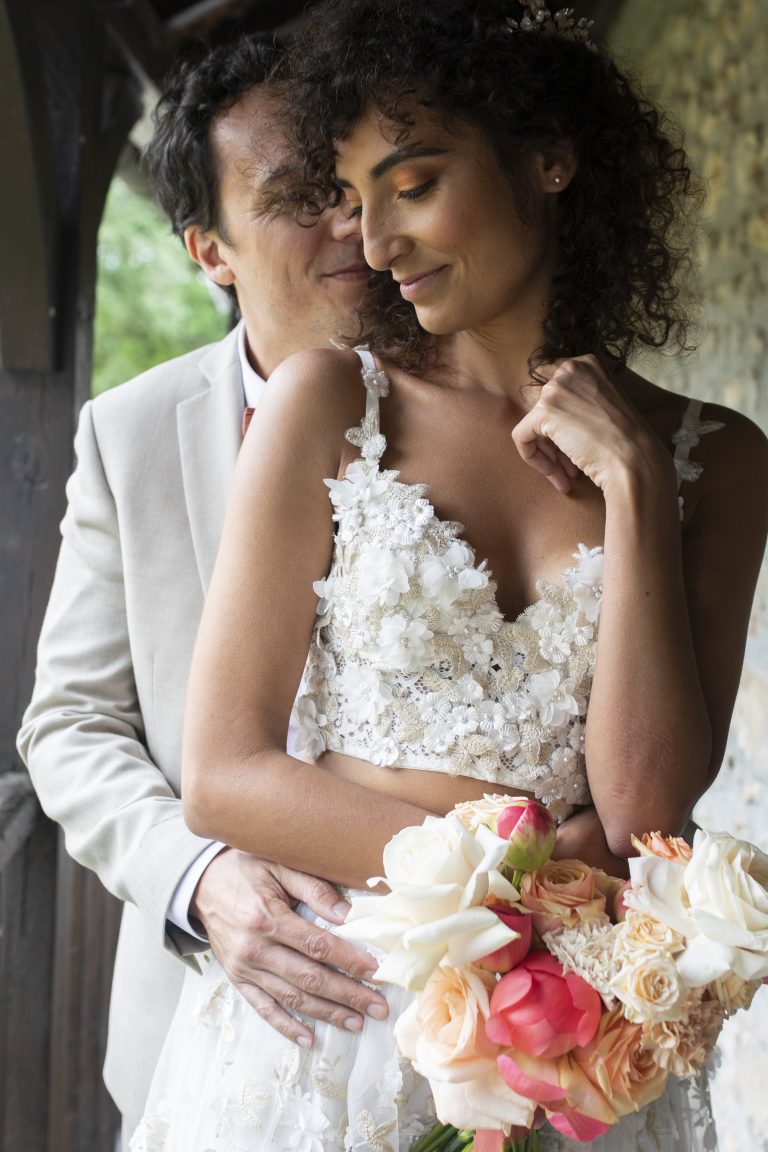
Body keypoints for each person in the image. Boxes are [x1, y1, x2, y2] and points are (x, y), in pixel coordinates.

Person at [135, 0, 768, 1149]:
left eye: (412, 183)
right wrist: (516, 867)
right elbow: (222, 775)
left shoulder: (711, 459)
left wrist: (630, 482)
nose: (373, 241)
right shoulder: (327, 403)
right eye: (351, 195)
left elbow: (642, 813)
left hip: (571, 1049)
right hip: (335, 1017)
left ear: (551, 160)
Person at [16, 30, 394, 1145]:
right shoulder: (127, 433)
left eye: (358, 184)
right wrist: (202, 876)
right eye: (299, 196)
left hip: (462, 1008)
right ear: (207, 250)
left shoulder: (490, 404)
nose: (351, 222)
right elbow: (69, 725)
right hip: (206, 1034)